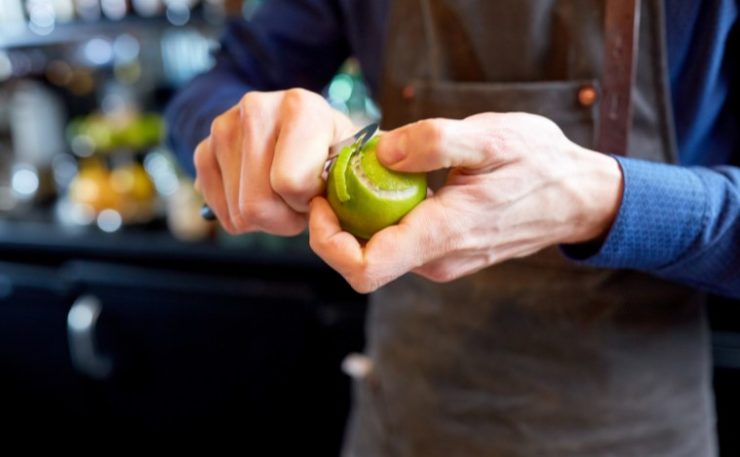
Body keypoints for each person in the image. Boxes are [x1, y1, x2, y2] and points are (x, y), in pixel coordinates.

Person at [166, 0, 739, 455]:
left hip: (639, 431)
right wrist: (246, 133)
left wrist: (602, 198)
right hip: (409, 419)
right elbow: (215, 87)